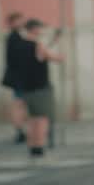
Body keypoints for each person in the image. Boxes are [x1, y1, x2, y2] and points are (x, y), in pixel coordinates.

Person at [9, 18, 64, 157]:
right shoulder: (37, 45)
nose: (42, 31)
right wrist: (60, 52)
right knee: (42, 119)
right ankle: (39, 146)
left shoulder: (19, 44)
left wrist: (53, 41)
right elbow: (54, 57)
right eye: (40, 28)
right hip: (40, 88)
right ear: (34, 29)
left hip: (25, 88)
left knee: (32, 119)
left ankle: (32, 146)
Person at [0, 12, 28, 143]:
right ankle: (19, 131)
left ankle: (20, 130)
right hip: (19, 78)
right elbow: (18, 59)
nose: (21, 23)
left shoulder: (14, 37)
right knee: (18, 104)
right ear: (12, 22)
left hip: (18, 77)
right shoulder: (14, 38)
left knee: (19, 104)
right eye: (19, 20)